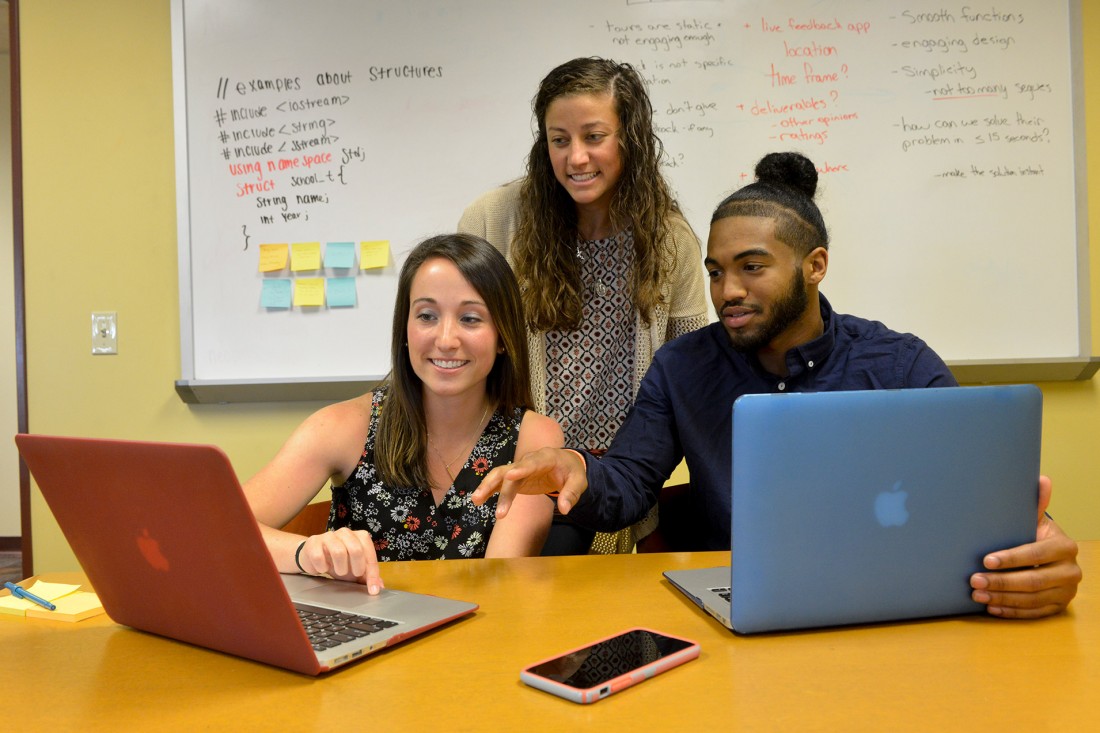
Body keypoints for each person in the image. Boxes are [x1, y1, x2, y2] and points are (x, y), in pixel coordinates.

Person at [473, 152, 1082, 618]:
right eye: (715, 272)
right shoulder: (684, 367)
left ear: (814, 265)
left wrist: (1039, 551)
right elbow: (630, 482)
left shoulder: (898, 364)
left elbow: (988, 497)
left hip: (889, 602)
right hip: (737, 608)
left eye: (751, 267)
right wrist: (575, 466)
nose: (726, 291)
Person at [458, 57, 708, 554]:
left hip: (619, 487)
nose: (576, 157)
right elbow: (461, 350)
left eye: (594, 137)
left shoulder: (671, 242)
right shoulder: (493, 220)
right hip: (511, 482)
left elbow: (687, 374)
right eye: (559, 139)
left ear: (629, 139)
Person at [245, 234, 562, 594]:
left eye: (470, 319)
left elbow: (501, 588)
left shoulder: (533, 439)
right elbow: (218, 529)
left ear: (503, 336)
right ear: (405, 330)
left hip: (478, 640)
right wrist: (305, 552)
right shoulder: (343, 426)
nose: (445, 339)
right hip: (361, 641)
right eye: (426, 316)